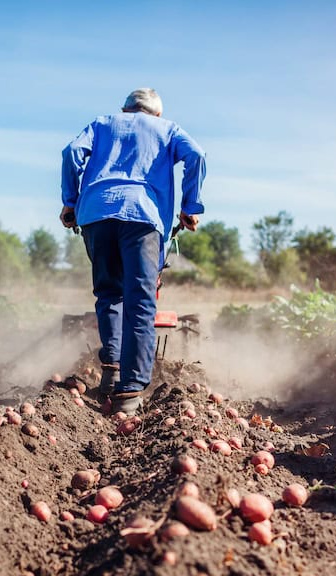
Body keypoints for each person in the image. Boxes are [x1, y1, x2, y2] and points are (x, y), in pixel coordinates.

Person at [60, 88, 206, 415]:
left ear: (125, 110)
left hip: (96, 212)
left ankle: (111, 371)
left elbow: (71, 152)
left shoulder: (102, 123)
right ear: (155, 113)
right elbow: (196, 155)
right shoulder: (167, 128)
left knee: (109, 292)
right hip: (143, 215)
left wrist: (70, 202)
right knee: (140, 300)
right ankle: (130, 393)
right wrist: (190, 205)